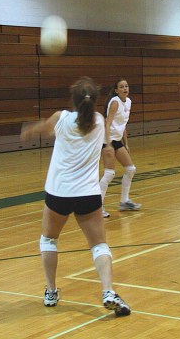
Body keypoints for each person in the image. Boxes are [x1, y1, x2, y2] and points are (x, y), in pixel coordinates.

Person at [20, 76, 130, 317]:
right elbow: (106, 145)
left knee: (48, 240)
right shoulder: (100, 122)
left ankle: (51, 291)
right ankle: (108, 291)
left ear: (74, 98)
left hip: (59, 193)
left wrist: (29, 130)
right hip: (88, 195)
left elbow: (43, 129)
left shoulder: (61, 119)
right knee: (99, 245)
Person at [100, 78, 141, 218]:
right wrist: (108, 145)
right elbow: (107, 123)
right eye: (122, 87)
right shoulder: (115, 102)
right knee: (109, 173)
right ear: (116, 90)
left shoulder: (128, 102)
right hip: (107, 141)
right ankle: (97, 207)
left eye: (127, 86)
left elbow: (123, 124)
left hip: (117, 140)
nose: (125, 89)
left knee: (131, 169)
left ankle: (124, 201)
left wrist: (126, 143)